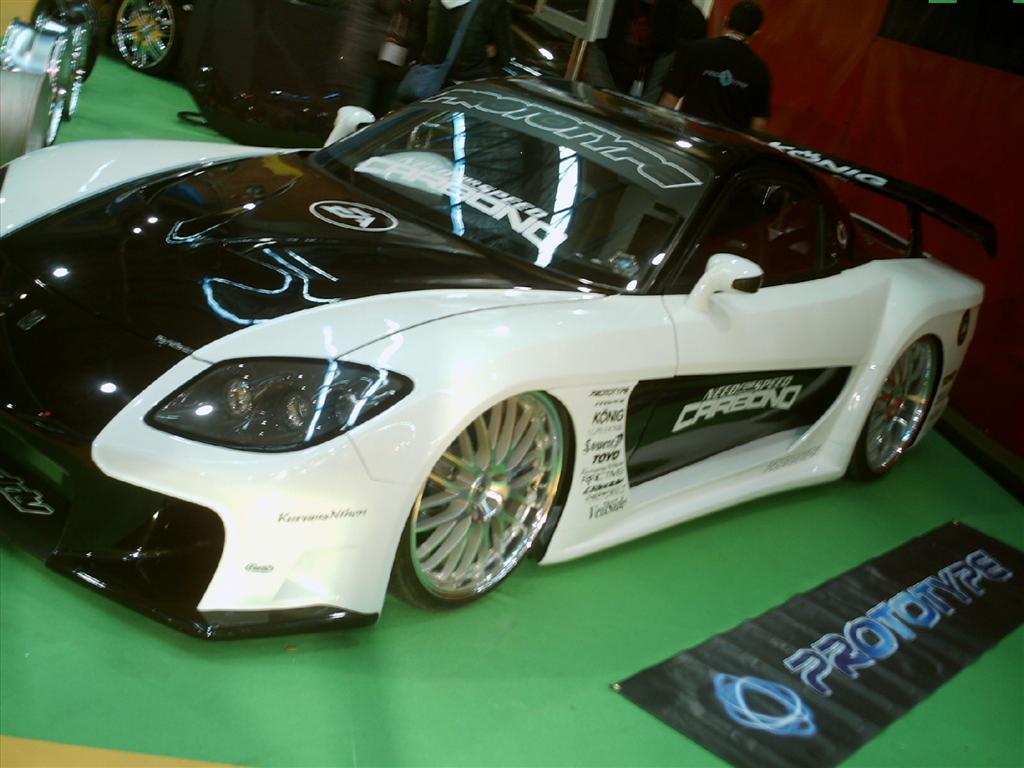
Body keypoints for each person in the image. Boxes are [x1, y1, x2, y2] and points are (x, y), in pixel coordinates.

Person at [658, 0, 771, 132]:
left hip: (689, 135)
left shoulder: (695, 50)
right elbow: (758, 124)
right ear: (756, 33)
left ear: (726, 21)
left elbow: (669, 100)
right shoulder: (760, 70)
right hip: (728, 142)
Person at [413, 0, 511, 84]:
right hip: (471, 81)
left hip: (429, 78)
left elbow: (416, 37)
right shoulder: (493, 3)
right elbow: (504, 55)